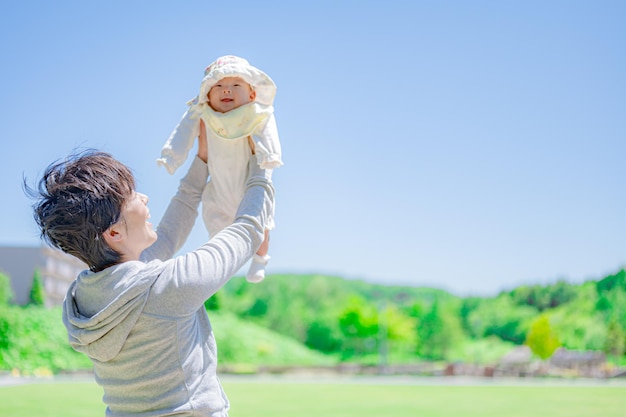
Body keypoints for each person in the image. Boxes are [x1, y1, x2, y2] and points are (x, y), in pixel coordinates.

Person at [27, 133, 274, 417]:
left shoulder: (83, 300)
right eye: (131, 196)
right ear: (115, 233)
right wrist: (262, 165)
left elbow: (168, 234)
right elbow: (247, 229)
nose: (143, 198)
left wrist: (202, 160)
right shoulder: (167, 288)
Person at [158, 55, 283, 283]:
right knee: (216, 226)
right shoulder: (204, 114)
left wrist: (270, 155)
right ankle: (222, 265)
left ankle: (260, 259)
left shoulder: (255, 113)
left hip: (249, 183)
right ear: (207, 93)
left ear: (252, 94)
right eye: (218, 86)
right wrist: (171, 157)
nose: (227, 91)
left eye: (236, 85)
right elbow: (183, 132)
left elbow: (268, 130)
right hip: (217, 188)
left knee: (262, 223)